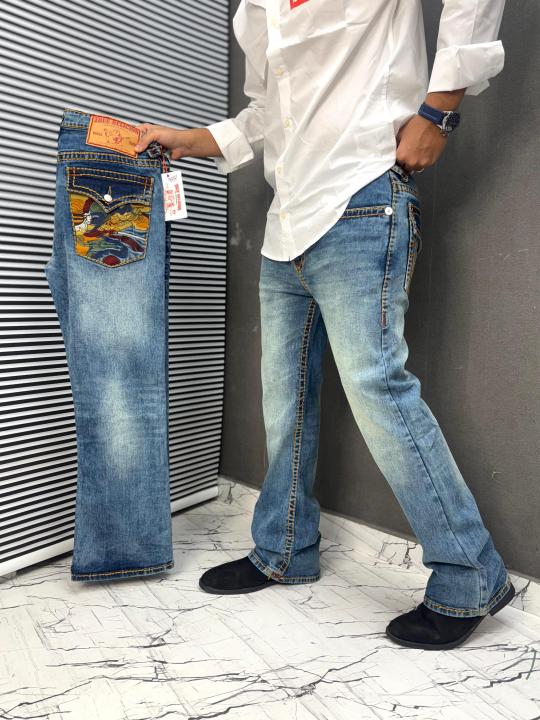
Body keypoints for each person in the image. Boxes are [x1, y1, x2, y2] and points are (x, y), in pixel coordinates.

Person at [134, 0, 514, 650]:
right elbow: (268, 111)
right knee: (284, 399)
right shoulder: (256, 9)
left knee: (378, 389)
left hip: (363, 196)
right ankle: (284, 549)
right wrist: (189, 139)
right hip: (287, 219)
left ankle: (470, 576)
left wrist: (438, 110)